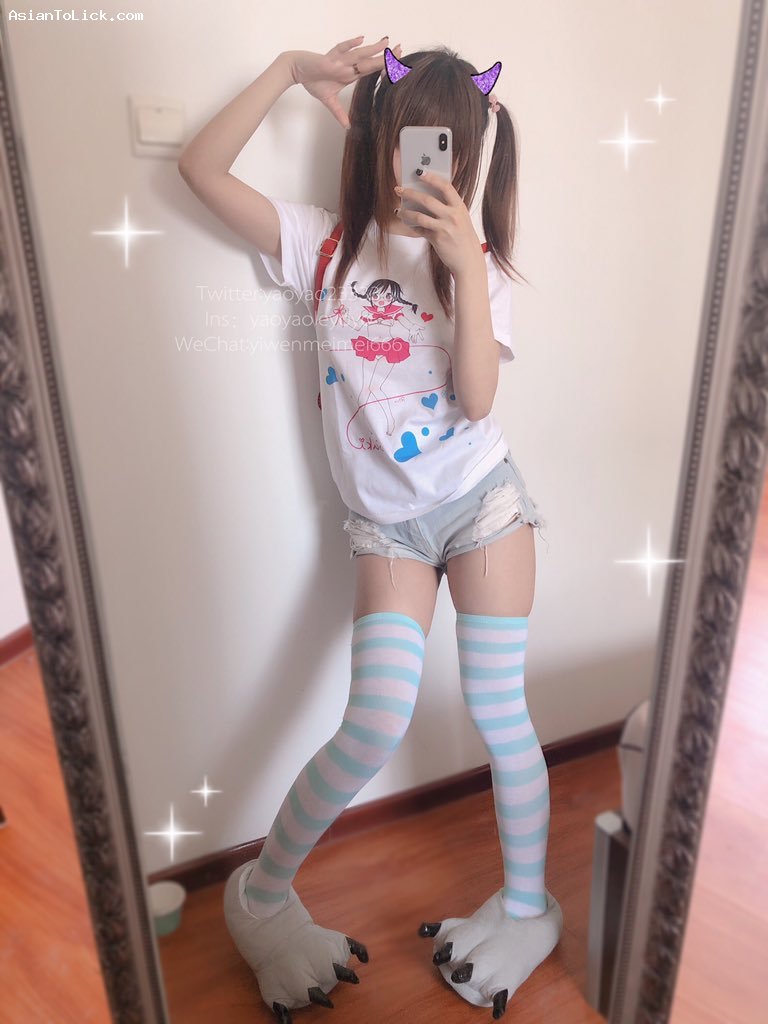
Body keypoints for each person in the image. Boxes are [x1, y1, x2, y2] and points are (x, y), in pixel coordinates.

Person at [178, 34, 563, 1023]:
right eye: (407, 137)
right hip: (388, 530)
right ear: (381, 135)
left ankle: (527, 908)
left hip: (483, 504)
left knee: (499, 713)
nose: (423, 163)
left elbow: (478, 402)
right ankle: (259, 896)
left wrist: (464, 268)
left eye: (445, 146)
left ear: (467, 156)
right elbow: (200, 170)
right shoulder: (321, 245)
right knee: (373, 724)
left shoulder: (478, 265)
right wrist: (289, 71)